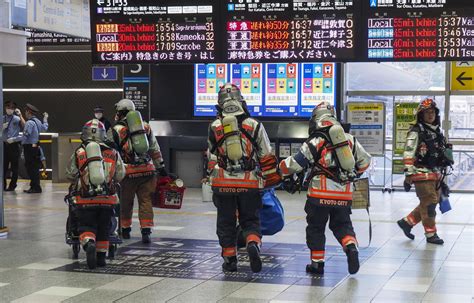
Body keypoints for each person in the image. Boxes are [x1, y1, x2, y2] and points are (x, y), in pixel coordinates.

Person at [279, 102, 371, 275]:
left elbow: (297, 163)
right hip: (343, 195)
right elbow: (365, 161)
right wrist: (352, 174)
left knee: (316, 228)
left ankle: (317, 264)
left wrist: (280, 168)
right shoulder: (349, 139)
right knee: (343, 225)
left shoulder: (316, 140)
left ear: (316, 118)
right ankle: (351, 247)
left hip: (319, 195)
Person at [207, 83, 280, 273]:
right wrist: (271, 179)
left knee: (225, 222)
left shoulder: (215, 126)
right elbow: (266, 154)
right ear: (241, 101)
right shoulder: (253, 125)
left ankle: (230, 260)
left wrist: (209, 178)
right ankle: (253, 243)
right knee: (250, 219)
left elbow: (211, 156)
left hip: (223, 183)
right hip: (249, 182)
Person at [66, 119, 126, 269]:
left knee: (86, 225)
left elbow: (70, 174)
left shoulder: (80, 152)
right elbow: (120, 175)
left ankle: (89, 243)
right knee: (104, 228)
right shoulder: (113, 152)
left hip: (85, 199)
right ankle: (101, 257)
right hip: (108, 199)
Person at [108, 99, 167, 244]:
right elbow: (154, 148)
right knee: (145, 201)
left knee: (126, 202)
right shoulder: (145, 127)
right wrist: (161, 167)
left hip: (127, 172)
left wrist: (109, 173)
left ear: (121, 112)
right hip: (147, 170)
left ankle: (125, 229)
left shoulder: (116, 130)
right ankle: (146, 231)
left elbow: (109, 152)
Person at [397, 98, 453, 245]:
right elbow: (408, 152)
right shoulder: (416, 131)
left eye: (433, 112)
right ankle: (431, 234)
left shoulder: (437, 132)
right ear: (421, 115)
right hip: (420, 172)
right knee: (430, 203)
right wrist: (408, 174)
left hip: (435, 173)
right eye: (427, 112)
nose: (430, 115)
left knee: (428, 201)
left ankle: (407, 222)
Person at [17, 104, 48, 193]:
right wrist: (45, 118)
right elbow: (45, 128)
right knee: (34, 167)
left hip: (29, 148)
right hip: (35, 147)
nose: (25, 113)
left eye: (26, 111)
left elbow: (25, 136)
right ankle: (34, 186)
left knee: (31, 168)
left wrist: (15, 139)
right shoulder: (37, 121)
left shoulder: (29, 123)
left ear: (28, 112)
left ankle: (36, 188)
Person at [3, 101, 22, 191]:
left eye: (11, 108)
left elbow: (25, 128)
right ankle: (2, 185)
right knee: (3, 167)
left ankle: (12, 185)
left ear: (14, 109)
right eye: (8, 107)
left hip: (13, 144)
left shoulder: (17, 119)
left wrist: (20, 115)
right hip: (4, 145)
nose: (9, 109)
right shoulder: (2, 118)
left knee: (14, 167)